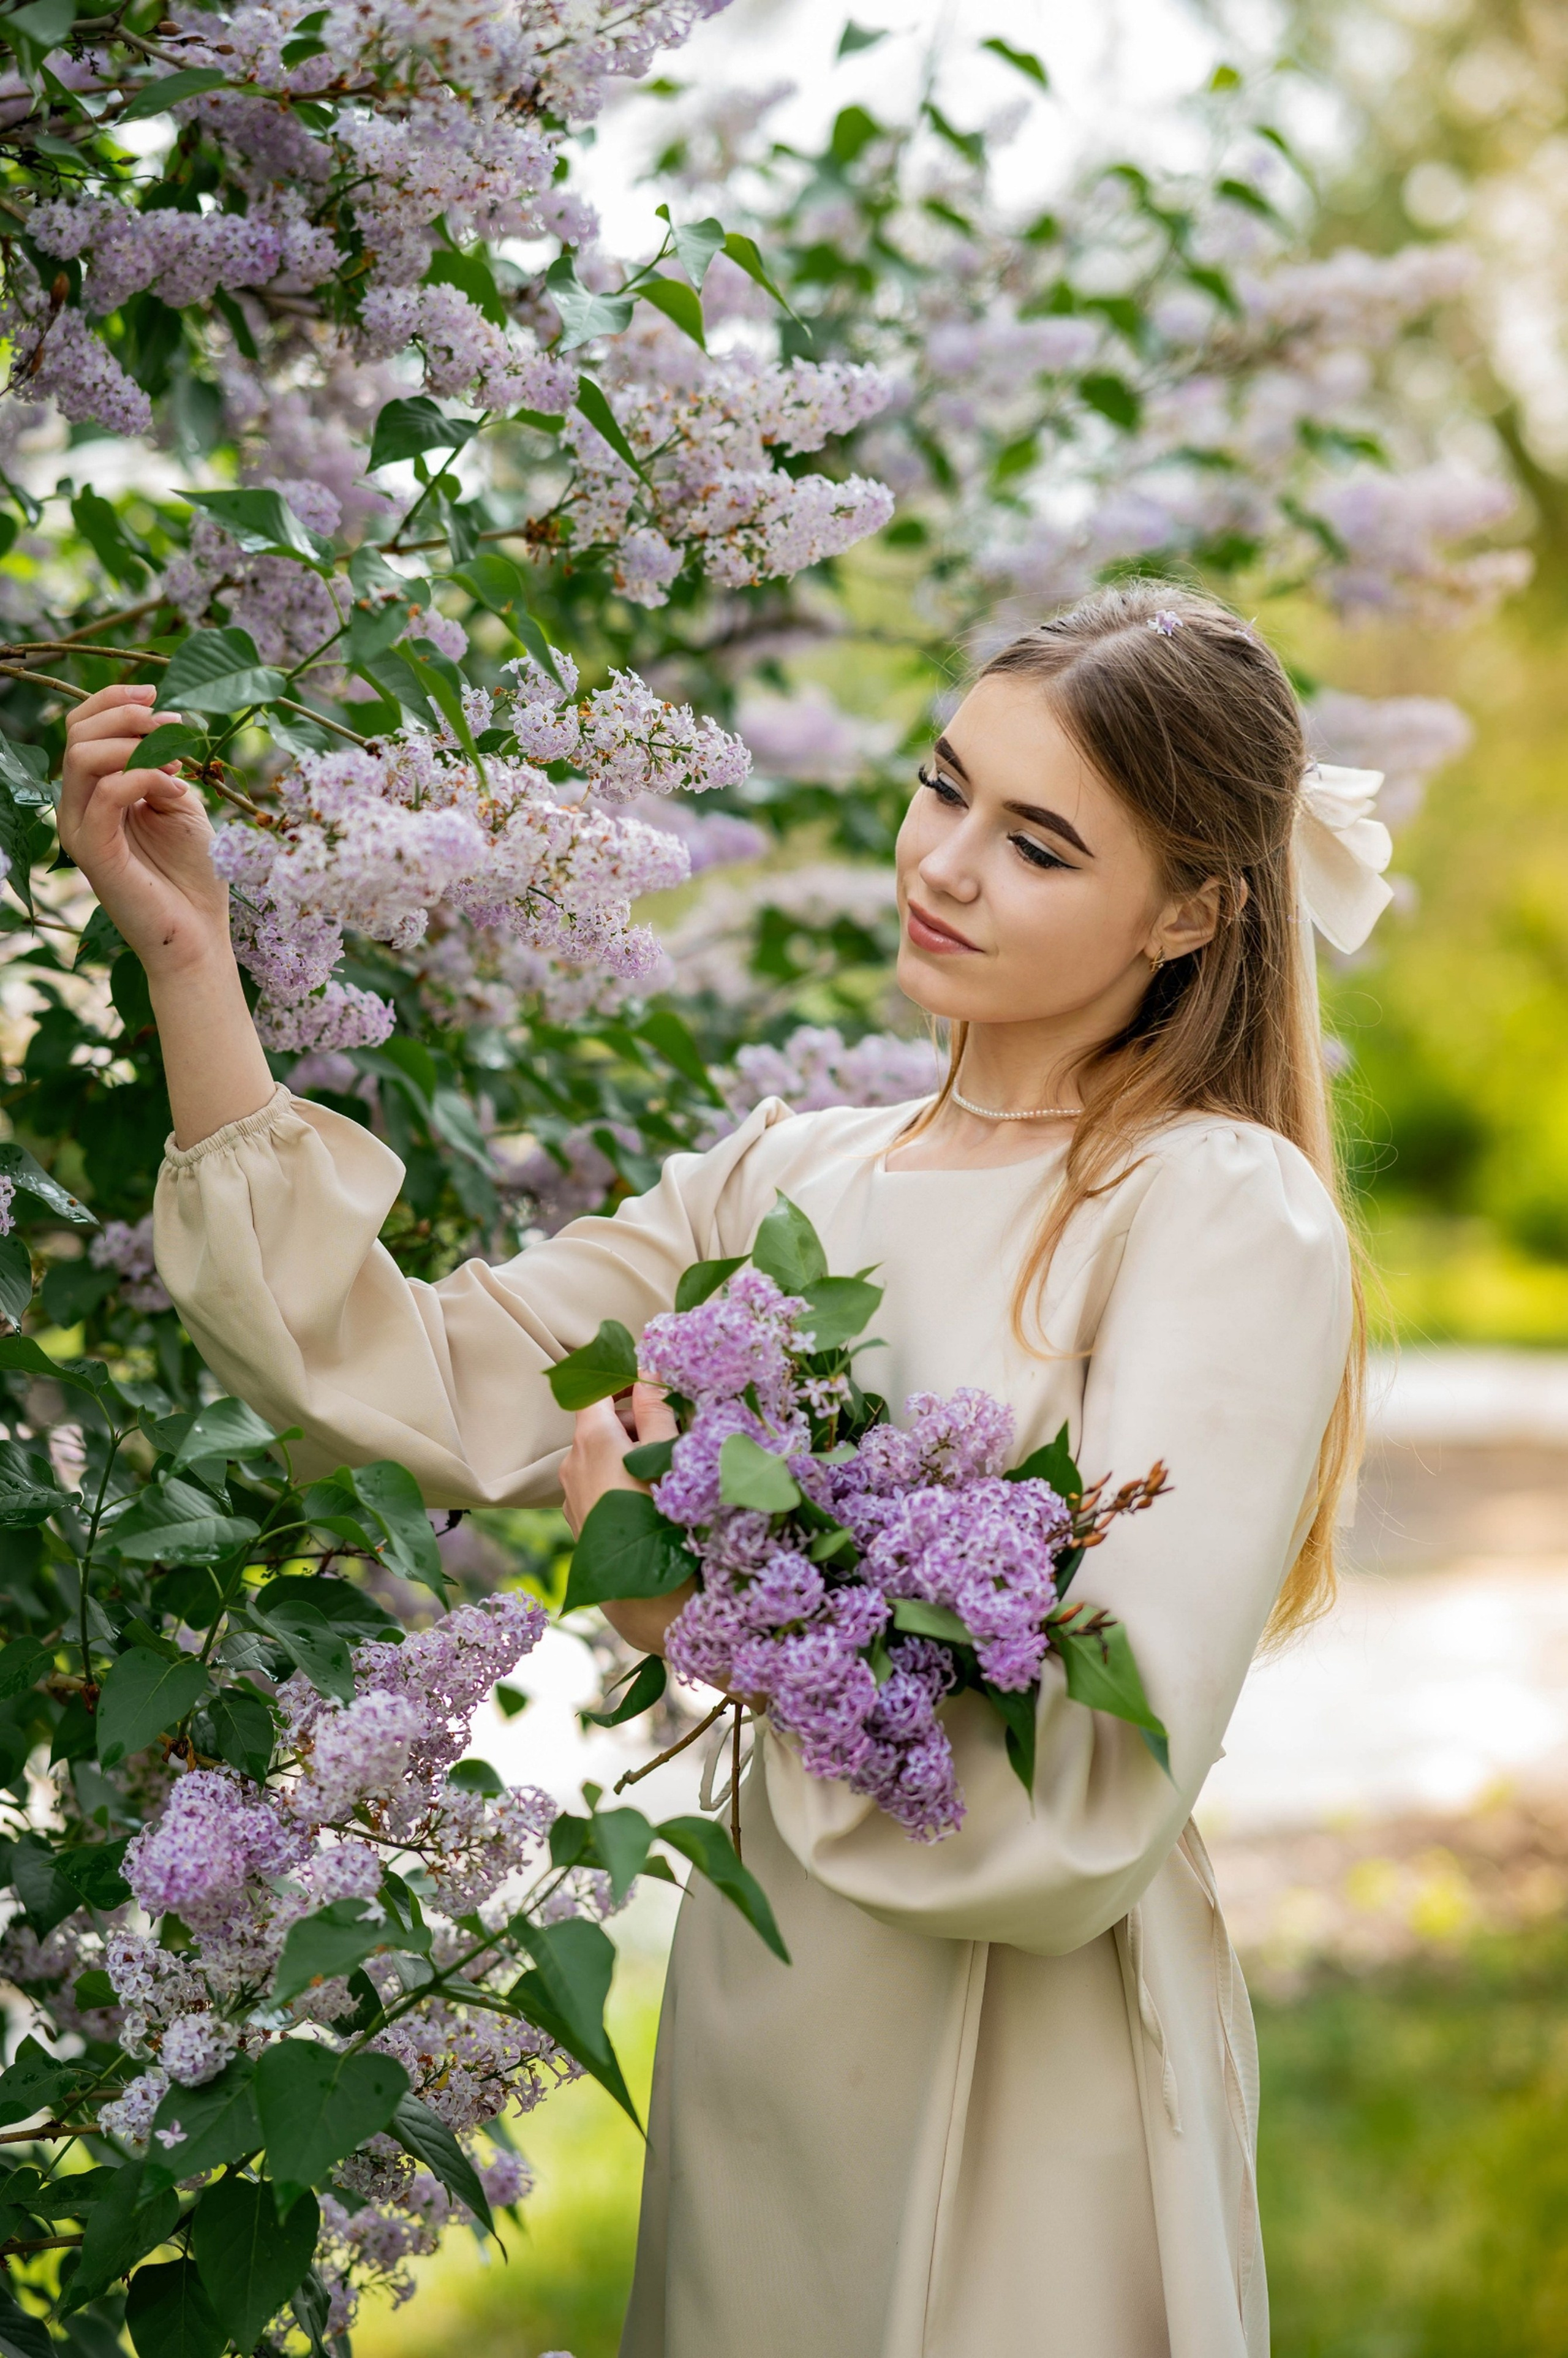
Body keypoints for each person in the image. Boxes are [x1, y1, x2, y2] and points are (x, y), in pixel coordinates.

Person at [59, 581, 1386, 2358]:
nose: (951, 864)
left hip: (1031, 2058)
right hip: (779, 1999)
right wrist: (191, 965)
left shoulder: (1213, 1210)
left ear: (1196, 909)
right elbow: (414, 1375)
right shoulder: (793, 1179)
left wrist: (705, 1624)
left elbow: (1093, 1797)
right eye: (944, 788)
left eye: (1044, 844)